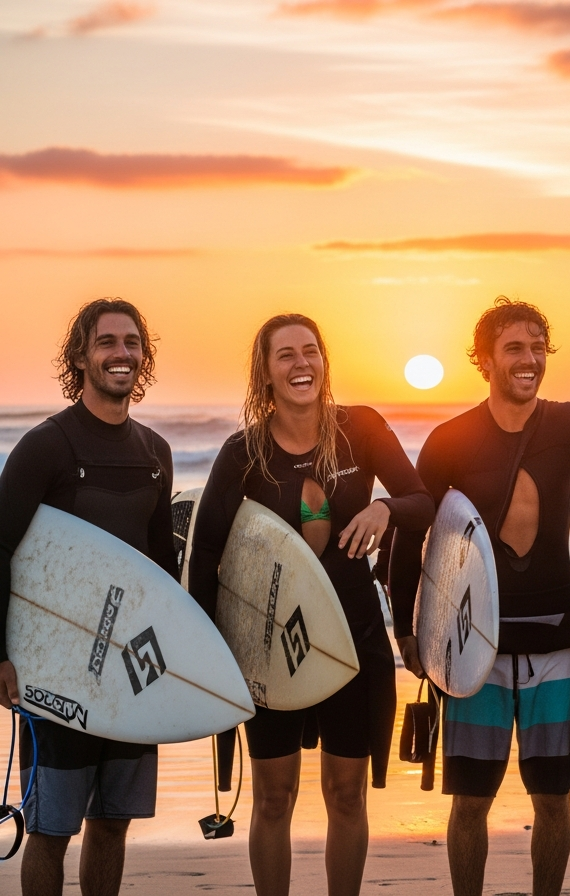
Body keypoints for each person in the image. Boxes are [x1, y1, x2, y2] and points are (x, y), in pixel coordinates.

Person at [389, 297, 570, 896]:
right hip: (474, 651)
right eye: (514, 348)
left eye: (538, 347)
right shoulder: (450, 439)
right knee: (469, 802)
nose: (529, 359)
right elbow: (411, 533)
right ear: (485, 360)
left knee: (552, 800)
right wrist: (406, 630)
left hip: (556, 644)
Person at [187, 313, 434, 896]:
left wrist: (385, 510)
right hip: (270, 646)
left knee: (346, 794)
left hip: (351, 639)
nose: (302, 364)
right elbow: (205, 559)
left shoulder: (363, 429)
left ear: (325, 361)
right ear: (265, 373)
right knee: (275, 797)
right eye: (285, 355)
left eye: (311, 351)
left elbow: (422, 499)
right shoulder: (242, 453)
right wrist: (208, 658)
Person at [0, 299, 177, 896]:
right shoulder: (46, 447)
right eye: (106, 342)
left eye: (132, 342)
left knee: (114, 821)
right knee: (52, 827)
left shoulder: (156, 453)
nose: (121, 353)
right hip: (58, 669)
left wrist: (174, 662)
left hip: (131, 669)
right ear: (81, 356)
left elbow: (160, 571)